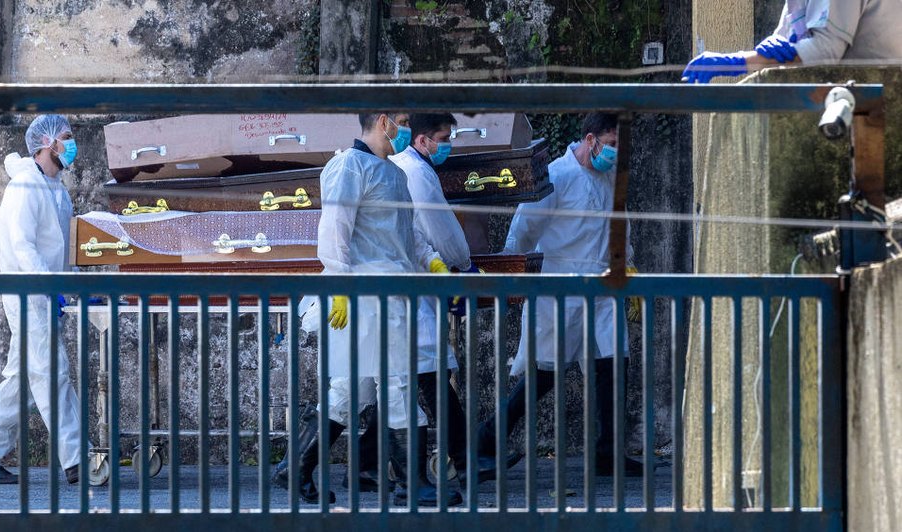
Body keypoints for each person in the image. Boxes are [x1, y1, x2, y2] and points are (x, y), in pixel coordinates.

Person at [273, 112, 463, 507]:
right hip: (367, 298)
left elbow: (407, 234)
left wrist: (433, 262)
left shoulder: (392, 173)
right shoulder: (349, 166)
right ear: (383, 120)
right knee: (397, 385)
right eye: (403, 120)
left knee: (350, 390)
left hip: (385, 296)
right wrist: (340, 285)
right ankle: (414, 484)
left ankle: (294, 469)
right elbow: (334, 229)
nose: (407, 128)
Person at [476, 112, 644, 481]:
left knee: (614, 365)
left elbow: (621, 224)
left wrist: (628, 265)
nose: (617, 153)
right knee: (544, 374)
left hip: (603, 287)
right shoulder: (558, 175)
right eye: (613, 144)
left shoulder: (609, 178)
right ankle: (486, 437)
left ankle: (608, 452)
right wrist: (511, 269)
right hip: (559, 288)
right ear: (590, 139)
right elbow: (524, 226)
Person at [0, 115, 86, 485]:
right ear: (47, 143)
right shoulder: (24, 186)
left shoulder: (56, 188)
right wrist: (49, 287)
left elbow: (60, 249)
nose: (71, 144)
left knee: (20, 379)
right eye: (66, 137)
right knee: (53, 372)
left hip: (45, 293)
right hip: (29, 293)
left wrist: (76, 287)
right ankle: (78, 460)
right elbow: (22, 246)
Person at [683, 0, 902, 83]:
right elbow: (785, 39)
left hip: (881, 102)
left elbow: (824, 51)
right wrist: (769, 48)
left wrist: (736, 61)